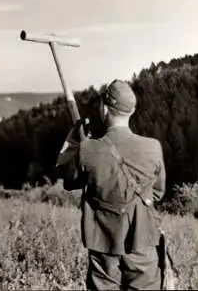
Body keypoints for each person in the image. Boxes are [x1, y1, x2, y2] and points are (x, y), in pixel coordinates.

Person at [56, 79, 166, 290]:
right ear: (132, 110)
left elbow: (68, 181)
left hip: (104, 243)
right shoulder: (153, 147)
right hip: (142, 239)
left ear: (104, 108)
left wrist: (74, 142)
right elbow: (158, 194)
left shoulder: (87, 149)